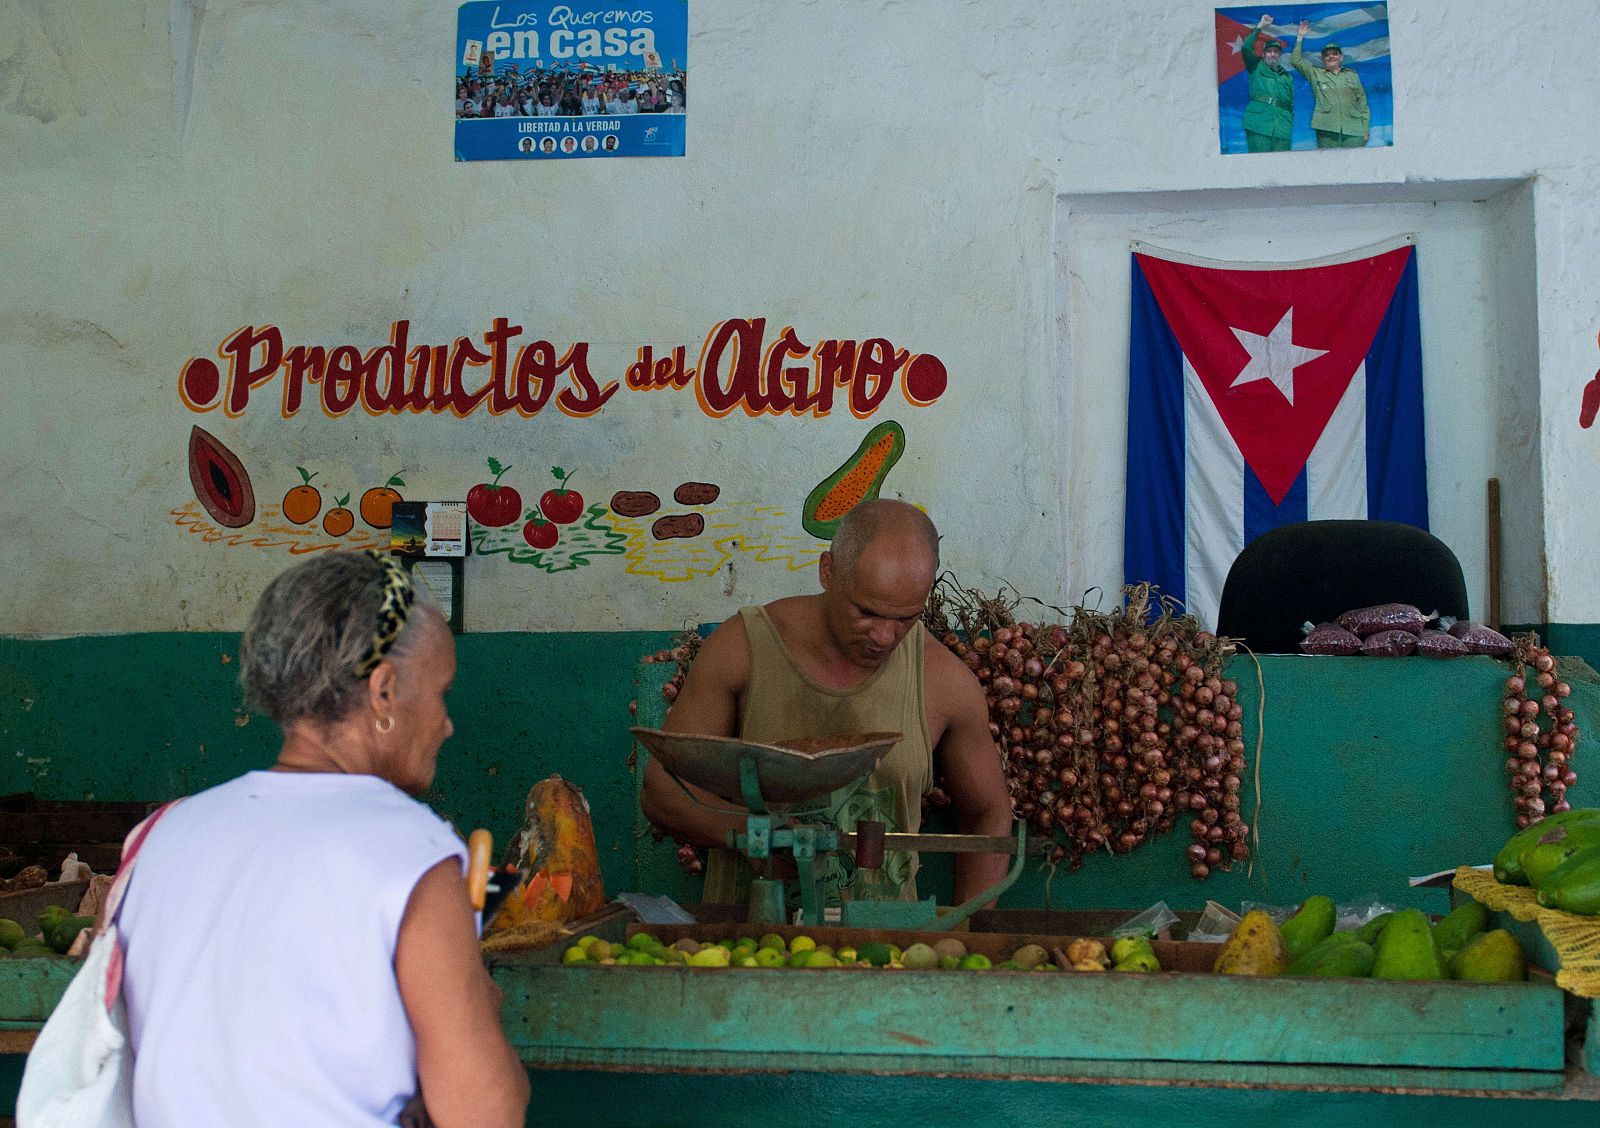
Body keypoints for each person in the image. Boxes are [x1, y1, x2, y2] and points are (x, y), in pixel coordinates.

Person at [116, 552, 528, 1128]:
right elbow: (483, 1113)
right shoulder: (409, 849)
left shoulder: (162, 836)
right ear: (383, 692)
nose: (447, 723)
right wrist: (481, 1008)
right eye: (442, 693)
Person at [641, 500, 1014, 909]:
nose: (886, 637)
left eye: (906, 618)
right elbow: (662, 790)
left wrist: (973, 931)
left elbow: (989, 814)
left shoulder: (946, 682)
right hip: (747, 947)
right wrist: (752, 836)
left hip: (883, 954)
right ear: (827, 571)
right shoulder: (743, 648)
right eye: (867, 613)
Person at [1291, 23, 1370, 148]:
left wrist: (1365, 129)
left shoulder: (1353, 76)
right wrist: (1300, 37)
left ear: (1341, 57)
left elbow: (1363, 104)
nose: (1331, 56)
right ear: (1323, 60)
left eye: (1334, 53)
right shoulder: (1315, 74)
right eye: (1327, 55)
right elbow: (1295, 61)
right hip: (1327, 129)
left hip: (1353, 130)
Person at [1240, 15, 1294, 153]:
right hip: (1259, 124)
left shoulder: (1287, 77)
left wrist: (1288, 124)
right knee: (1259, 166)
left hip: (1282, 128)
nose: (1272, 54)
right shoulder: (1255, 66)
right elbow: (1246, 47)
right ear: (1264, 54)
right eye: (1269, 51)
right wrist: (1261, 25)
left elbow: (1290, 105)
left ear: (1280, 55)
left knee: (1283, 167)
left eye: (1276, 52)